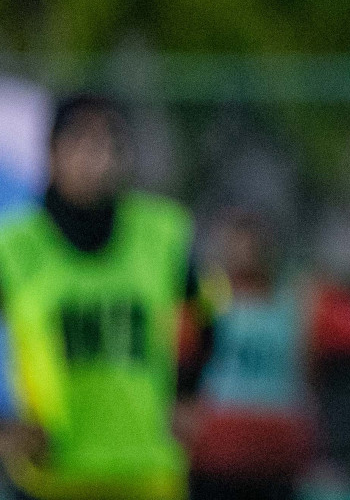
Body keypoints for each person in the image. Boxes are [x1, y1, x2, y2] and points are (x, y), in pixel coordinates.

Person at [0, 94, 206, 500]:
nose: (97, 159)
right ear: (53, 152)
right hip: (51, 472)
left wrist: (187, 394)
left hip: (145, 467)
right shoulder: (15, 244)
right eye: (81, 143)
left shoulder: (160, 234)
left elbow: (203, 314)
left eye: (110, 144)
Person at [185, 209, 318, 500]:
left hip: (276, 452)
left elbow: (305, 370)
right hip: (217, 450)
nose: (246, 252)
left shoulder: (292, 300)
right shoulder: (208, 297)